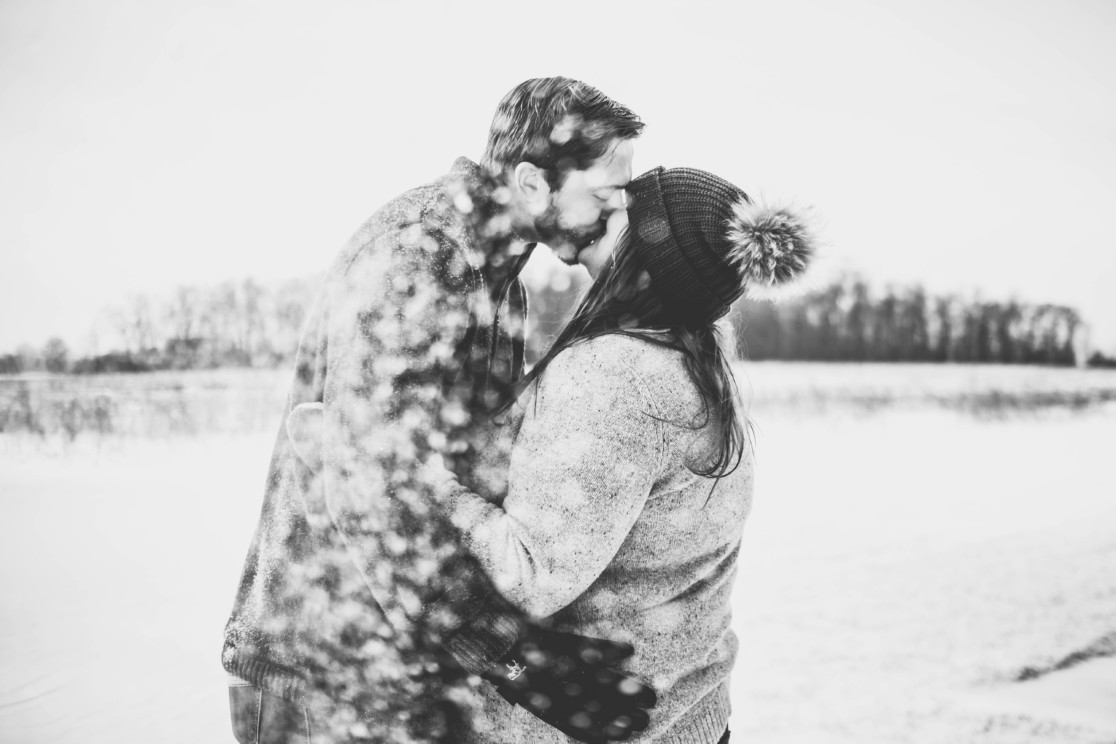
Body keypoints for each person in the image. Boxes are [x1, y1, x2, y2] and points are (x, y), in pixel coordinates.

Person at [221, 77, 656, 744]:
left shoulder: (499, 282)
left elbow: (451, 479)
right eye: (602, 197)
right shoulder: (418, 259)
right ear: (534, 184)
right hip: (317, 673)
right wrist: (517, 658)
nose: (613, 217)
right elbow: (372, 493)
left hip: (398, 668)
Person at [434, 167, 818, 741]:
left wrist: (420, 476)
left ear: (645, 257)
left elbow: (531, 573)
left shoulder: (616, 375)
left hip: (602, 725)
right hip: (688, 714)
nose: (601, 210)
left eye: (620, 214)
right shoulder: (695, 363)